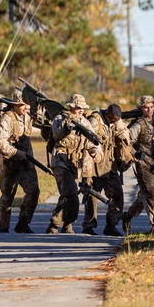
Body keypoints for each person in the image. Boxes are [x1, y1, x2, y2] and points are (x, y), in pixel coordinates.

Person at [46, 94, 101, 234]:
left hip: (75, 163)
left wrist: (96, 152)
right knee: (70, 193)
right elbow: (56, 135)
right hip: (61, 162)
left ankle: (56, 224)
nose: (81, 110)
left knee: (66, 194)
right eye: (78, 107)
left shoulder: (85, 122)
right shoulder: (60, 119)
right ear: (71, 106)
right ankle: (67, 224)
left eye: (83, 108)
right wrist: (67, 126)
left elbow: (92, 140)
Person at [0, 90, 39, 234]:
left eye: (27, 105)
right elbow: (0, 143)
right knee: (7, 196)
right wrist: (17, 153)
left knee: (34, 192)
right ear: (15, 104)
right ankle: (3, 228)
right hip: (9, 164)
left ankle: (23, 223)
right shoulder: (6, 119)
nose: (26, 108)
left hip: (27, 163)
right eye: (23, 105)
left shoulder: (27, 116)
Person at [122, 95, 154, 234]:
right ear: (142, 109)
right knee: (152, 193)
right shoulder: (138, 125)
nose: (149, 110)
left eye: (151, 107)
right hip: (144, 164)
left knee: (145, 196)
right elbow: (127, 141)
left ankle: (127, 216)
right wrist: (135, 153)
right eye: (146, 107)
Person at [82, 104, 133, 236]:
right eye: (113, 120)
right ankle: (89, 225)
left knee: (117, 195)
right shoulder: (95, 120)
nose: (115, 122)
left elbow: (126, 134)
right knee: (93, 197)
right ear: (107, 114)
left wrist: (122, 133)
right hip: (96, 166)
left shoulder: (116, 121)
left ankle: (111, 224)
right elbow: (88, 142)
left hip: (110, 166)